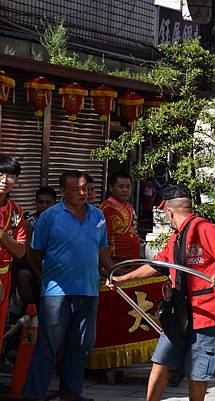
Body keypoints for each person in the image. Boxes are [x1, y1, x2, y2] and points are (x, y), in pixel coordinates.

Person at [108, 184, 215, 401]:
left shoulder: (203, 229)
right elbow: (157, 265)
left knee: (198, 371)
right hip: (179, 312)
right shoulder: (177, 238)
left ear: (169, 211)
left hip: (206, 313)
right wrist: (122, 279)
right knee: (161, 360)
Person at [23, 170, 113, 401]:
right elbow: (34, 252)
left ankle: (71, 393)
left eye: (85, 188)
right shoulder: (50, 216)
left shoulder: (98, 216)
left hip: (89, 289)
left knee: (81, 345)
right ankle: (35, 394)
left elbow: (102, 250)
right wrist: (46, 275)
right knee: (48, 345)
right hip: (56, 292)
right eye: (76, 189)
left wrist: (113, 271)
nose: (82, 193)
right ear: (63, 192)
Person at [0, 155, 26, 354]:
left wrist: (1, 235)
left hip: (5, 275)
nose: (5, 181)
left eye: (10, 176)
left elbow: (20, 250)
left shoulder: (16, 211)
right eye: (0, 175)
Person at [15, 186, 57, 310]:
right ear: (36, 202)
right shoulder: (30, 222)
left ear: (55, 203)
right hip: (35, 266)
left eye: (48, 202)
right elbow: (27, 253)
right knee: (23, 275)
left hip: (55, 267)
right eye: (40, 202)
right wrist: (38, 273)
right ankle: (31, 312)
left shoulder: (60, 220)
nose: (44, 206)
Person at [100, 171, 141, 265]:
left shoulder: (129, 206)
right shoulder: (106, 209)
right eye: (121, 187)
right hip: (117, 264)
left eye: (128, 187)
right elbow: (101, 241)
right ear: (111, 187)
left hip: (131, 262)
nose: (125, 190)